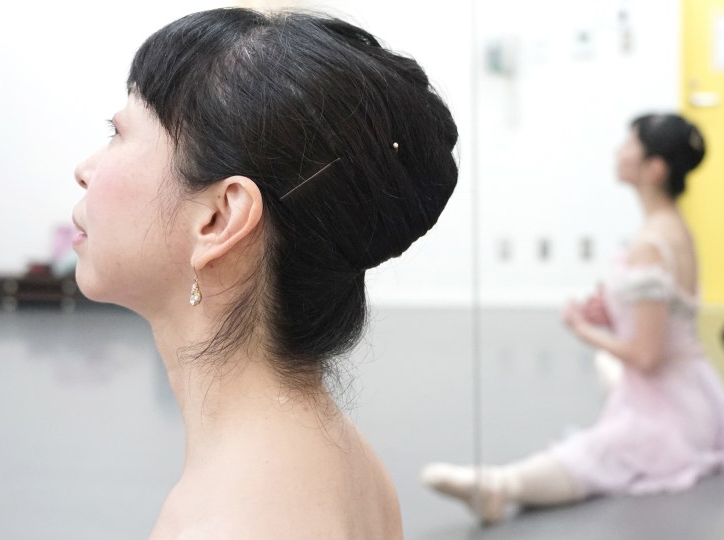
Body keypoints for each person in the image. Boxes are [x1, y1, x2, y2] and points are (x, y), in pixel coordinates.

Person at [71, 8, 458, 539]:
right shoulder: (340, 455)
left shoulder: (226, 523)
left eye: (118, 131)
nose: (84, 170)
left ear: (219, 219)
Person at [422, 113, 724, 524]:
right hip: (698, 393)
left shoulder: (650, 243)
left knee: (596, 451)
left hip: (675, 412)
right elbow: (668, 322)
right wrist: (611, 317)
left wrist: (583, 330)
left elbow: (647, 357)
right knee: (608, 368)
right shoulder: (673, 227)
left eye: (630, 145)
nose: (619, 152)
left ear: (654, 169)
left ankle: (500, 485)